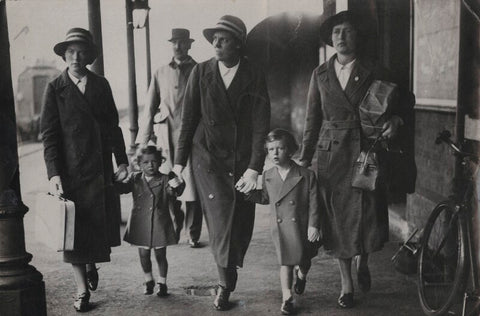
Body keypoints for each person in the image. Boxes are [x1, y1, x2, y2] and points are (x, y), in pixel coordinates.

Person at [299, 11, 414, 308]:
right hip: (332, 156)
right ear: (330, 39)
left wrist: (397, 121)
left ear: (357, 36)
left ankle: (363, 260)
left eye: (347, 31)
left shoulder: (375, 69)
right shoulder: (320, 74)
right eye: (336, 32)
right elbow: (312, 120)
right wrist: (304, 159)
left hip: (366, 154)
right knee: (338, 221)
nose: (341, 37)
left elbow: (406, 99)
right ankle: (346, 282)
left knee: (365, 217)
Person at [173, 15, 271, 311]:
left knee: (239, 222)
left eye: (224, 38)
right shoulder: (201, 72)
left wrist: (255, 167)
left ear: (238, 44)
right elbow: (188, 120)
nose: (216, 43)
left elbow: (260, 125)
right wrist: (178, 166)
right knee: (218, 221)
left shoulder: (253, 74)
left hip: (241, 160)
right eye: (214, 37)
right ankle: (224, 284)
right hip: (208, 158)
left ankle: (229, 270)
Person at [40, 28, 128, 312]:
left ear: (88, 56)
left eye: (81, 52)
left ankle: (91, 264)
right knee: (72, 234)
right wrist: (54, 174)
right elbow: (49, 136)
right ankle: (81, 291)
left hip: (98, 170)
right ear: (64, 55)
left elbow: (113, 127)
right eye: (70, 52)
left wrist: (122, 161)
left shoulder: (101, 85)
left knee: (92, 231)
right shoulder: (55, 88)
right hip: (71, 173)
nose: (76, 57)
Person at [137, 28, 203, 248]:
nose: (178, 46)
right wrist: (144, 140)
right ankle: (176, 224)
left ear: (189, 44)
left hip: (194, 138)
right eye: (174, 42)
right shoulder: (161, 72)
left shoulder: (199, 70)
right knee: (168, 184)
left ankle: (192, 233)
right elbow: (149, 107)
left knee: (193, 185)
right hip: (167, 139)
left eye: (182, 42)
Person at [244, 129, 321, 315]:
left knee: (305, 260)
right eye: (271, 149)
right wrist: (248, 192)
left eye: (280, 148)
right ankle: (287, 298)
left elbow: (314, 203)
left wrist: (314, 224)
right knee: (285, 262)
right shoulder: (269, 175)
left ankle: (301, 275)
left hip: (302, 226)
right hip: (281, 227)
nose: (275, 153)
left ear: (291, 150)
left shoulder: (306, 175)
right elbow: (266, 198)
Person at [115, 146, 184, 297]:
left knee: (160, 255)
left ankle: (162, 283)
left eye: (154, 161)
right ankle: (148, 280)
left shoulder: (165, 179)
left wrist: (175, 186)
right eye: (146, 162)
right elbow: (122, 188)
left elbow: (176, 191)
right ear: (139, 164)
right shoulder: (135, 178)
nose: (150, 165)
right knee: (143, 255)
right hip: (141, 224)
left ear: (160, 162)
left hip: (160, 223)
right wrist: (116, 180)